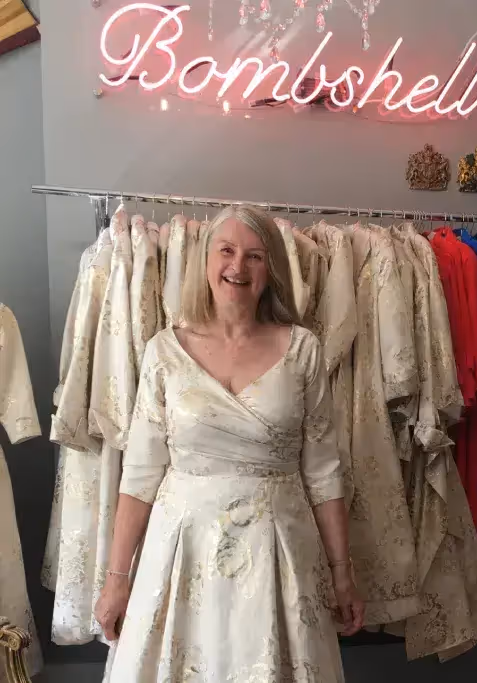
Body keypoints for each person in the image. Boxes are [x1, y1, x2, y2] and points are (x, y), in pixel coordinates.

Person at [95, 205, 364, 681]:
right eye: (227, 251)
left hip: (278, 557)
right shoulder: (164, 351)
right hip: (182, 551)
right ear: (206, 260)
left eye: (255, 256)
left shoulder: (303, 350)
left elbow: (324, 473)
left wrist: (343, 572)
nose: (238, 267)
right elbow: (139, 475)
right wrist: (117, 580)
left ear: (272, 267)